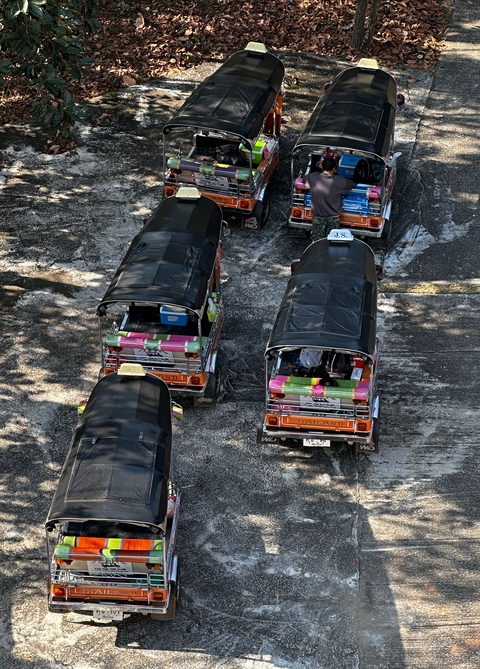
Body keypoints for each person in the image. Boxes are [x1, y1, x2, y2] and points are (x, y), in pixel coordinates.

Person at [304, 156, 356, 242]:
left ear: (321, 167)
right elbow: (351, 184)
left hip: (318, 217)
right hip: (334, 218)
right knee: (332, 242)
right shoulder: (340, 181)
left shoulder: (313, 177)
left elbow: (304, 179)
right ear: (334, 169)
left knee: (317, 242)